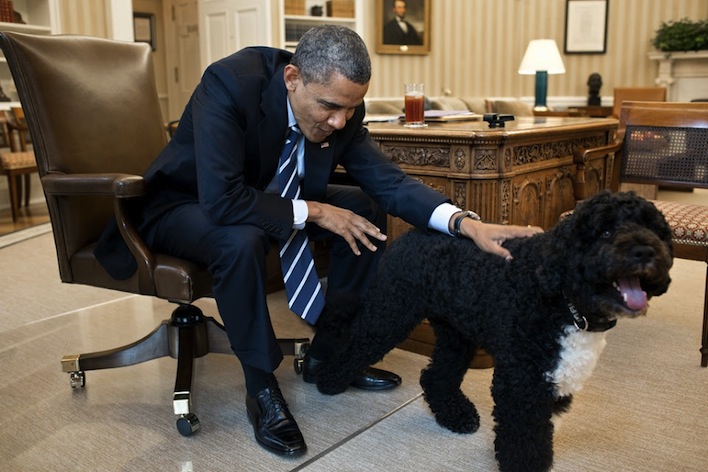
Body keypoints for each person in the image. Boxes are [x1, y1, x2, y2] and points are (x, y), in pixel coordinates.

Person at [95, 24, 541, 457]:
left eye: (350, 109)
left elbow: (389, 182)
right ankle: (262, 390)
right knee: (242, 239)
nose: (339, 121)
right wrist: (318, 211)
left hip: (268, 196)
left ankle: (332, 353)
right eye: (329, 106)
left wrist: (465, 223)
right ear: (293, 78)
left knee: (364, 205)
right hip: (183, 204)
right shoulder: (229, 83)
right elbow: (222, 200)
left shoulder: (343, 109)